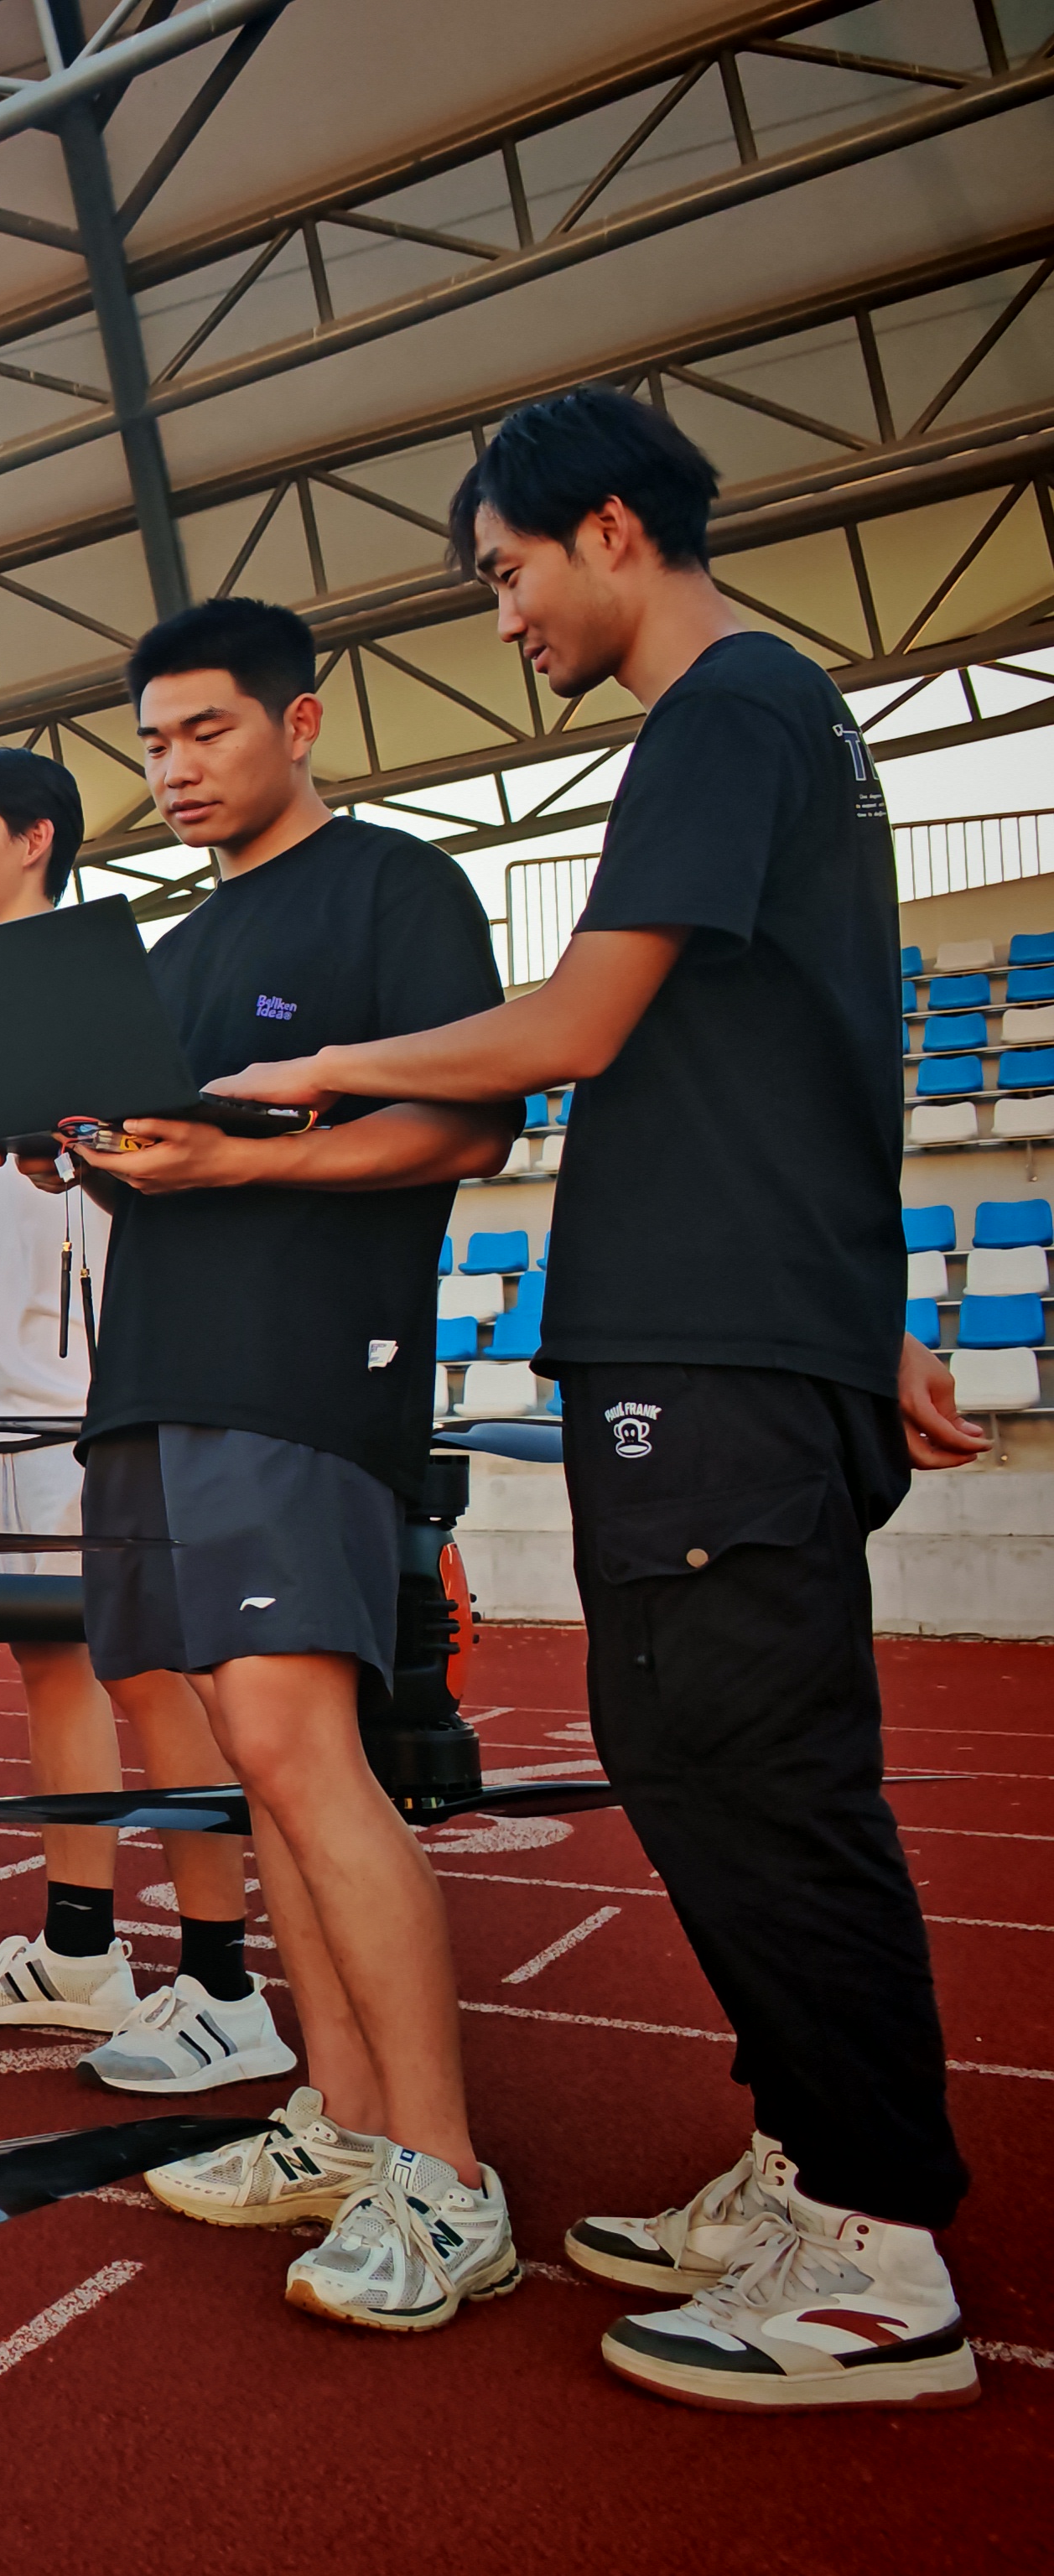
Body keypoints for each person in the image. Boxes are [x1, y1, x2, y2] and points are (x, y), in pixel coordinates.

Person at [212, 388, 982, 2409]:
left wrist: (313, 1066)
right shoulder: (773, 727)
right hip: (745, 1315)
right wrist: (875, 1307)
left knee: (749, 1757)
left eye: (505, 569)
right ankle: (808, 2162)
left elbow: (577, 1021)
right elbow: (820, 1051)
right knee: (688, 1739)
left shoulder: (725, 710)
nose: (501, 616)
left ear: (610, 526)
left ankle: (876, 2241)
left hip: (725, 1332)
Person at [41, 599, 527, 2333]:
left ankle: (445, 2179)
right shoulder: (165, 956)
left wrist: (237, 1170)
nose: (170, 769)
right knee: (254, 1766)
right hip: (158, 1369)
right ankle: (337, 2121)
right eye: (152, 743)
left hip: (302, 1366)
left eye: (204, 733)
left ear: (297, 722)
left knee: (304, 1750)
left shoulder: (396, 891)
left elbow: (466, 1122)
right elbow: (158, 1164)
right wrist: (81, 1150)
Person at [0, 749, 273, 2095]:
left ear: (36, 840)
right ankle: (78, 1951)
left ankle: (225, 1987)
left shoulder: (121, 988)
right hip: (7, 1404)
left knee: (151, 1677)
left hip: (99, 1412)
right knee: (44, 1670)